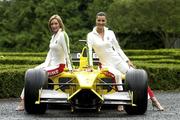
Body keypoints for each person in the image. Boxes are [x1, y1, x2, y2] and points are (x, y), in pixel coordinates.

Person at [87, 12, 164, 111]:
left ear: (106, 21)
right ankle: (120, 102)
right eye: (99, 20)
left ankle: (154, 100)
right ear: (96, 20)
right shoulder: (90, 35)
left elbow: (118, 49)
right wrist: (90, 65)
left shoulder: (110, 33)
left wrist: (127, 60)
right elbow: (89, 50)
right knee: (117, 75)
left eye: (103, 20)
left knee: (135, 75)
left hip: (117, 60)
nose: (101, 22)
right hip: (105, 64)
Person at [16, 14, 72, 111]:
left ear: (60, 24)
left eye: (56, 23)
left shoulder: (63, 35)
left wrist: (71, 68)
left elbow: (68, 53)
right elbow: (50, 54)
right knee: (33, 73)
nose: (54, 26)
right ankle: (24, 99)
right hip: (50, 65)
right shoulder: (53, 36)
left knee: (35, 77)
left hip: (59, 66)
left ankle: (23, 101)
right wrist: (44, 65)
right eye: (52, 24)